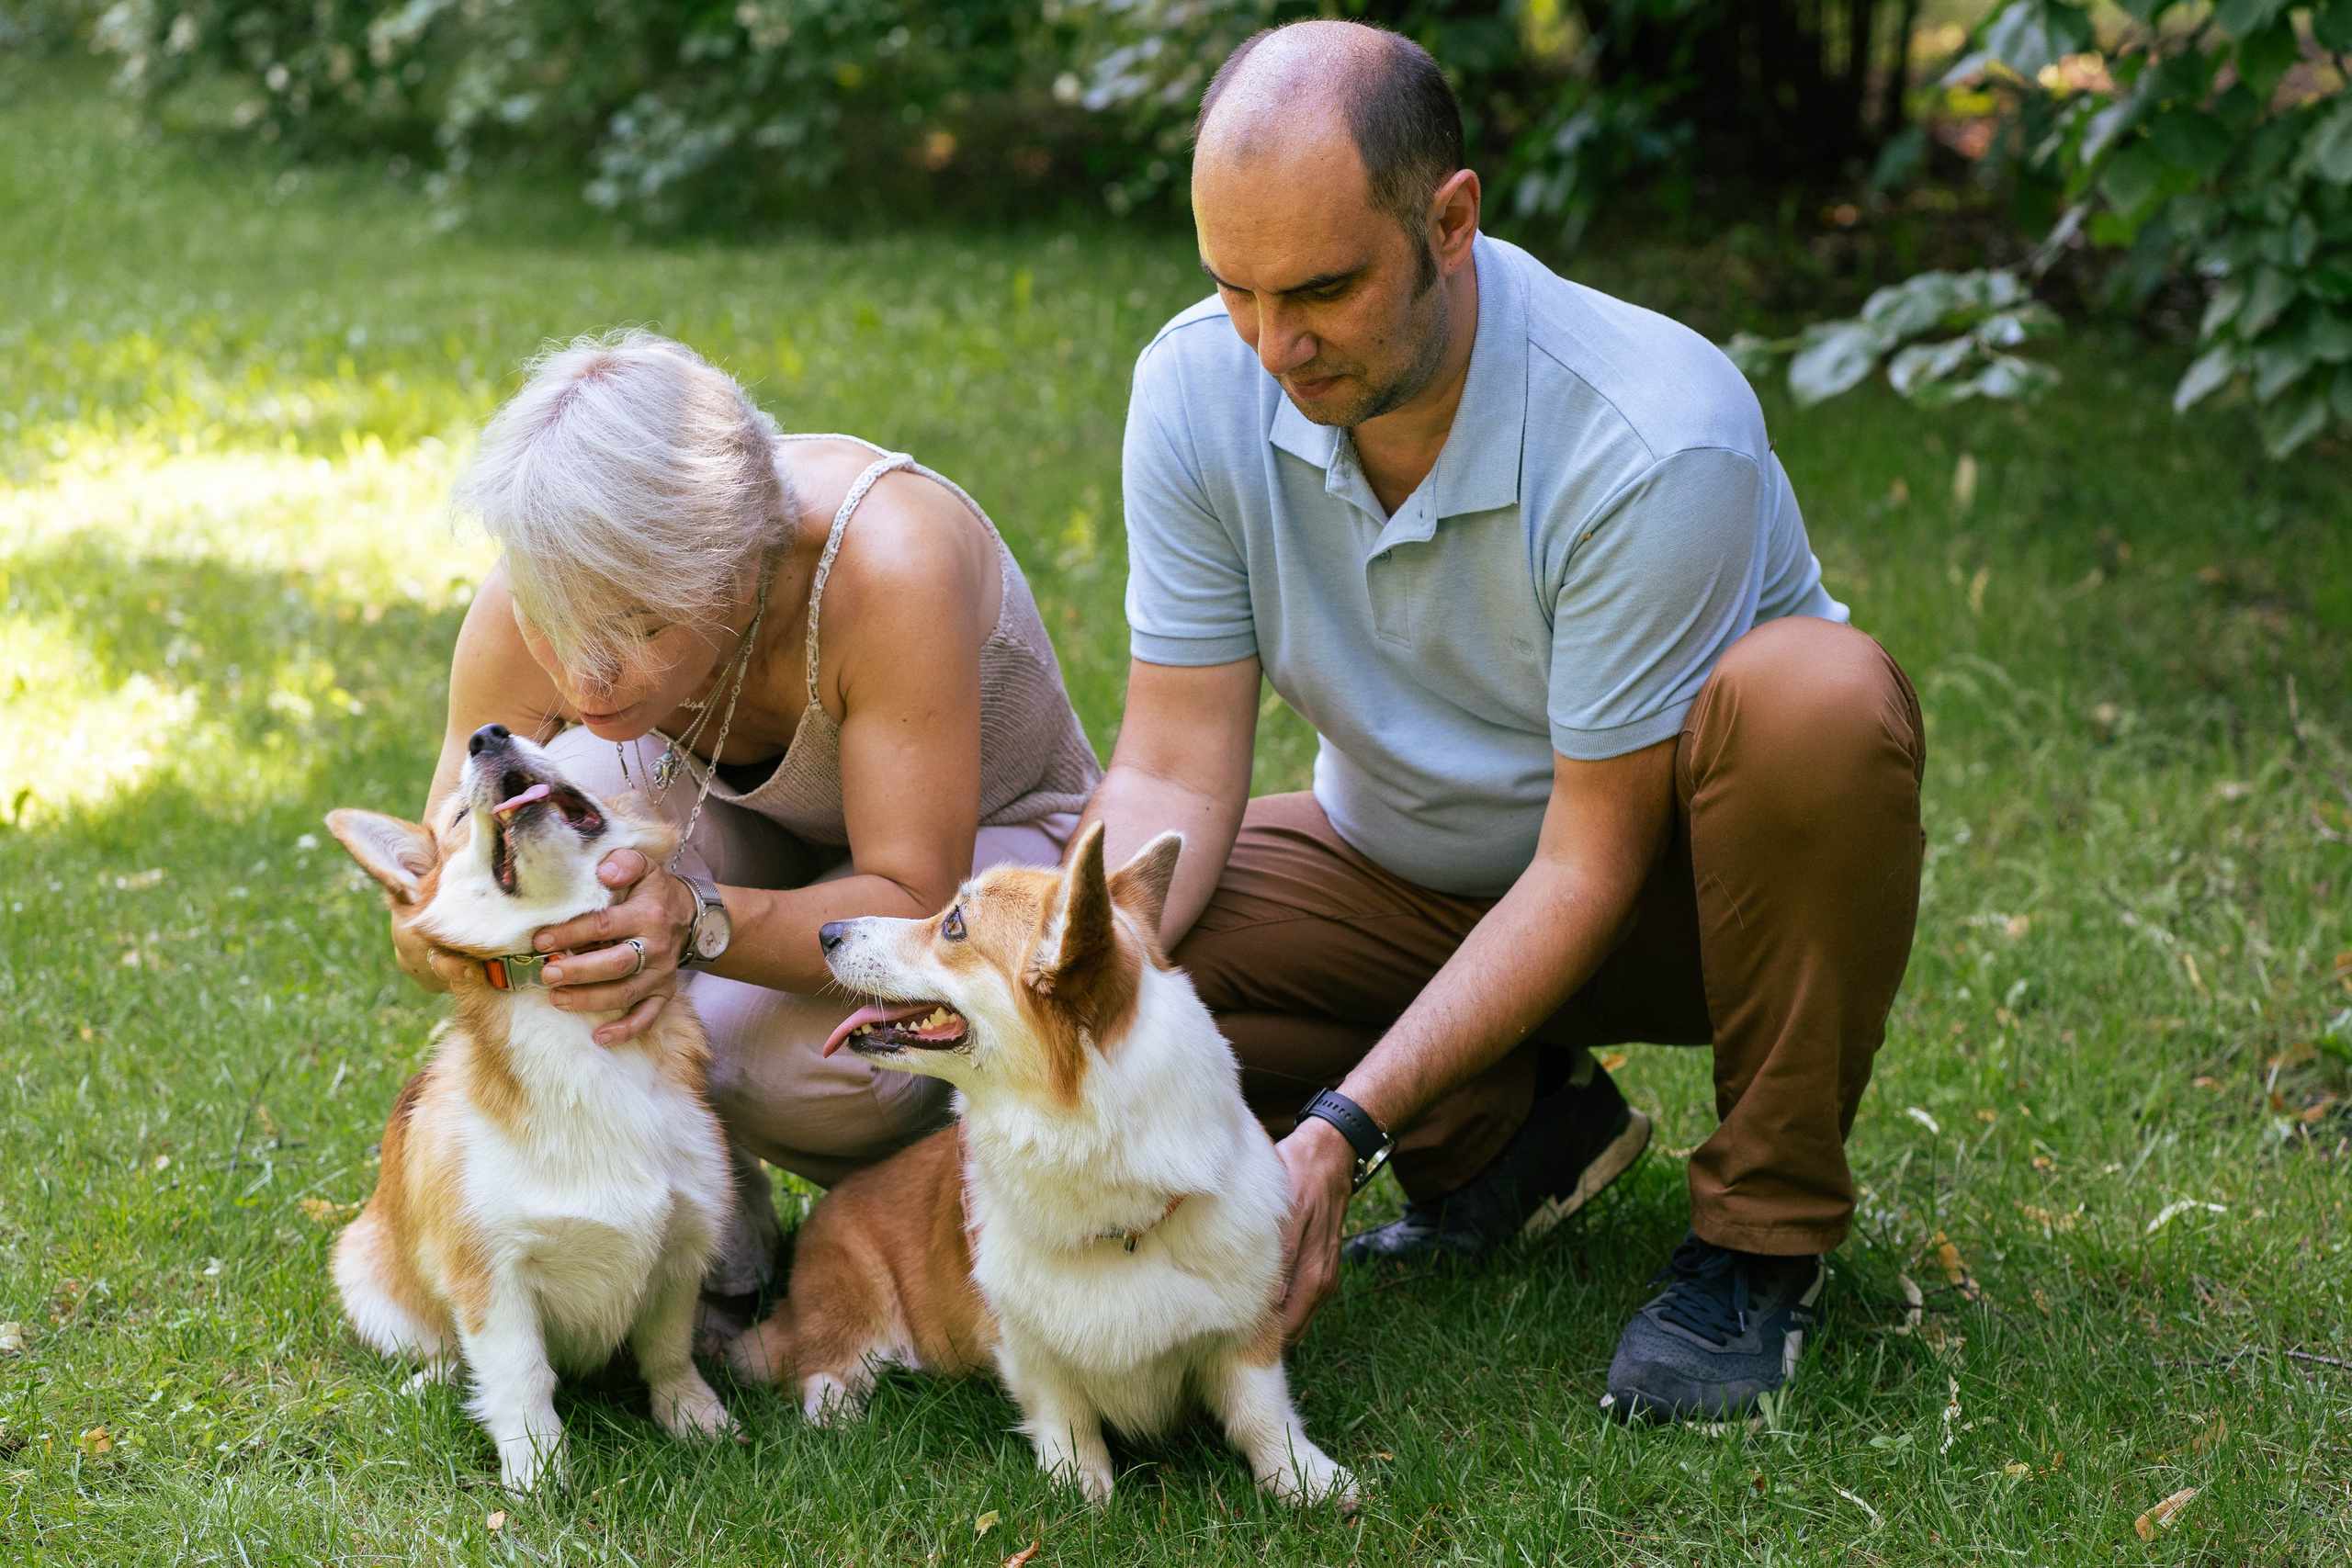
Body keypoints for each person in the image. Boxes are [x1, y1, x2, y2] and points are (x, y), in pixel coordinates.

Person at [1076, 21, 1925, 1423]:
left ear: (1451, 219)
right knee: (1150, 949)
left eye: (1325, 289)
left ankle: (1762, 1237)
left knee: (1815, 705)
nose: (1275, 344)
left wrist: (1344, 1129)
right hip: (1407, 873)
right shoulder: (1193, 385)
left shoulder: (1652, 432)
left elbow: (1591, 860)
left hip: (1688, 902)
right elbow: (1171, 760)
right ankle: (1520, 1134)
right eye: (1235, 287)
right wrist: (1068, 982)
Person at [401, 330, 1102, 1319]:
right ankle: (699, 1239)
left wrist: (684, 920)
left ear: (737, 569)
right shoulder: (553, 585)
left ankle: (948, 1208)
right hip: (741, 829)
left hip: (977, 860)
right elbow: (442, 877)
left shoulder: (884, 562)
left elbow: (911, 897)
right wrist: (476, 931)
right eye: (557, 624)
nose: (583, 675)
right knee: (562, 827)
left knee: (791, 1067)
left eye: (637, 629)